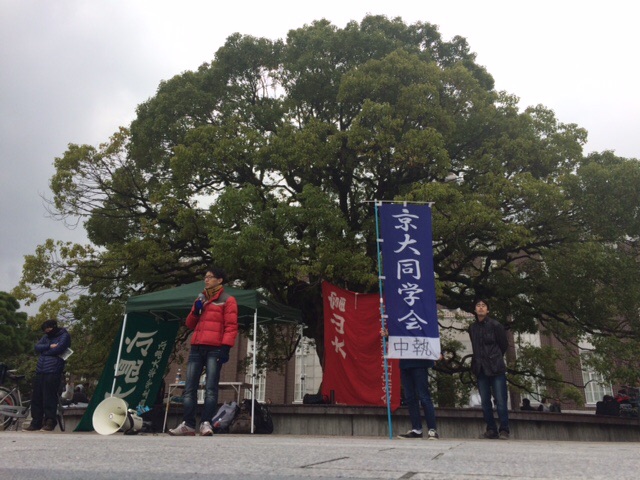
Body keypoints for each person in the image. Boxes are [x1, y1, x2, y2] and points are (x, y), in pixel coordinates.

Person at [169, 266, 238, 436]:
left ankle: (206, 423)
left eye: (210, 277)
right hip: (197, 346)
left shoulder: (228, 300)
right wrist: (196, 309)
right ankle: (188, 424)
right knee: (190, 387)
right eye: (205, 277)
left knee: (211, 388)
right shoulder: (201, 298)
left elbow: (231, 326)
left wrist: (225, 348)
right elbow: (190, 324)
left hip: (215, 348)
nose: (206, 280)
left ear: (219, 280)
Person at [469, 299, 511, 440]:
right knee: (485, 401)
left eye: (483, 306)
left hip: (496, 367)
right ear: (475, 310)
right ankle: (491, 429)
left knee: (500, 399)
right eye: (478, 306)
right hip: (480, 368)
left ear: (488, 310)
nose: (481, 308)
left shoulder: (496, 325)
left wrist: (495, 357)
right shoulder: (472, 328)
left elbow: (503, 344)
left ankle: (504, 429)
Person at [25, 319, 71, 431]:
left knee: (49, 397)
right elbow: (37, 347)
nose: (47, 331)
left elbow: (59, 349)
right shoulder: (46, 337)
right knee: (37, 397)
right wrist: (49, 346)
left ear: (54, 327)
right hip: (40, 370)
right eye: (45, 330)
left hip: (53, 370)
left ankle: (50, 421)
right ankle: (36, 422)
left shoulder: (64, 335)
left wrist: (44, 352)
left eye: (48, 329)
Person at [397, 357, 440, 440]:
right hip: (405, 364)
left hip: (420, 364)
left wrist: (437, 353)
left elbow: (435, 347)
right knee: (410, 398)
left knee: (424, 397)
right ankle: (416, 429)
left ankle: (432, 429)